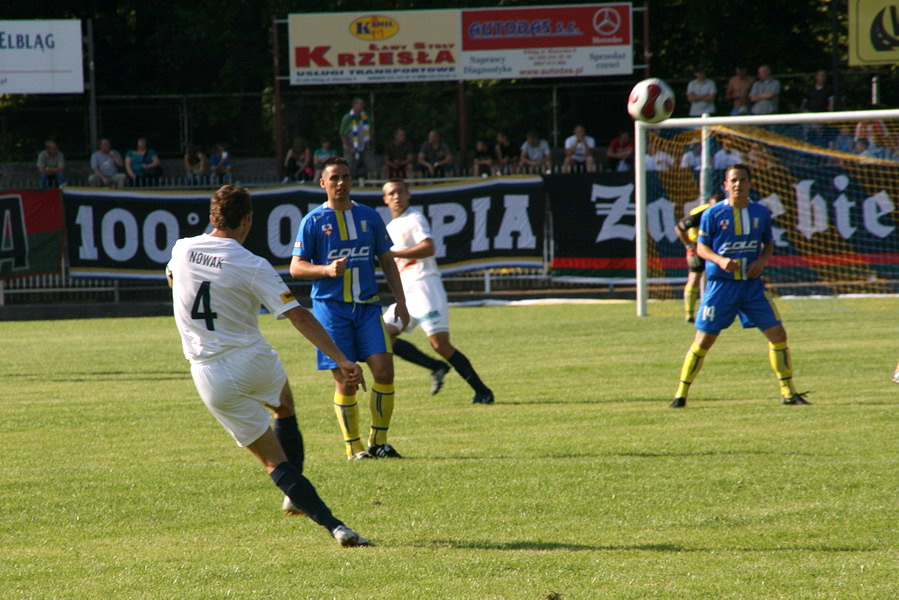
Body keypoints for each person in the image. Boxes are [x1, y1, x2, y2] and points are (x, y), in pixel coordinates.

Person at [166, 184, 370, 547]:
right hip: (251, 359)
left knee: (274, 463)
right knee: (284, 406)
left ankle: (335, 526)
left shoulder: (182, 249)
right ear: (246, 220)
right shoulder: (252, 264)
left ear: (212, 217)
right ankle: (302, 500)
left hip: (209, 375)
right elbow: (298, 316)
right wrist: (341, 359)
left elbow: (171, 278)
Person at [289, 156, 410, 460]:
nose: (341, 183)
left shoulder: (369, 216)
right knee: (346, 377)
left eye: (345, 177)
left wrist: (402, 301)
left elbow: (387, 261)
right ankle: (353, 447)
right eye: (334, 178)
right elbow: (296, 268)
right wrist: (327, 271)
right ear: (323, 183)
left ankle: (379, 442)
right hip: (331, 309)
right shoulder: (313, 222)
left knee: (384, 370)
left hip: (368, 307)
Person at [670, 164, 810, 408]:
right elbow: (702, 248)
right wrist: (721, 260)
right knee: (703, 341)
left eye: (742, 180)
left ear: (750, 183)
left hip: (751, 287)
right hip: (720, 287)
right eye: (733, 180)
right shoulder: (712, 214)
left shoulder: (761, 213)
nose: (738, 184)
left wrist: (762, 260)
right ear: (725, 185)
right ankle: (680, 395)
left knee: (778, 335)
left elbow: (768, 244)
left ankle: (789, 393)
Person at [380, 179, 495, 404]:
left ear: (408, 194)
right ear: (384, 199)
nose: (396, 196)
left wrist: (396, 255)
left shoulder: (414, 218)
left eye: (399, 191)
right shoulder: (390, 227)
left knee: (440, 344)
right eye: (391, 193)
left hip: (425, 286)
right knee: (382, 336)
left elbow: (429, 247)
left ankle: (483, 391)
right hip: (406, 292)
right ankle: (436, 367)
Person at [674, 193, 722, 322]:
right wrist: (689, 246)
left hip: (716, 248)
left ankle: (721, 311)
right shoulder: (700, 213)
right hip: (697, 247)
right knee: (695, 278)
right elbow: (679, 228)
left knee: (722, 279)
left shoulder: (728, 212)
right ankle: (689, 314)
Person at [339, 97, 374, 179]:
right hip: (351, 146)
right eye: (360, 104)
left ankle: (372, 183)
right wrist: (350, 147)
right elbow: (343, 134)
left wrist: (368, 142)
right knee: (349, 166)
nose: (362, 106)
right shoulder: (348, 118)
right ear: (354, 105)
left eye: (363, 104)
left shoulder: (366, 116)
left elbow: (370, 130)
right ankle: (349, 183)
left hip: (365, 145)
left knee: (371, 165)